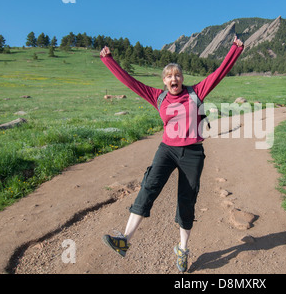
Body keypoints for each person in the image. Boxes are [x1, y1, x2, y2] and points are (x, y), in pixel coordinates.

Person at [100, 36, 244, 272]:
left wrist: (235, 50)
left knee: (186, 201)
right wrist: (108, 60)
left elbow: (219, 73)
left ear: (182, 79)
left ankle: (183, 248)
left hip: (193, 152)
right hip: (167, 150)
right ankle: (124, 239)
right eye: (169, 76)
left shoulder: (196, 92)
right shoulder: (158, 97)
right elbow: (130, 82)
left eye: (177, 75)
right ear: (164, 81)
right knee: (149, 187)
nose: (173, 78)